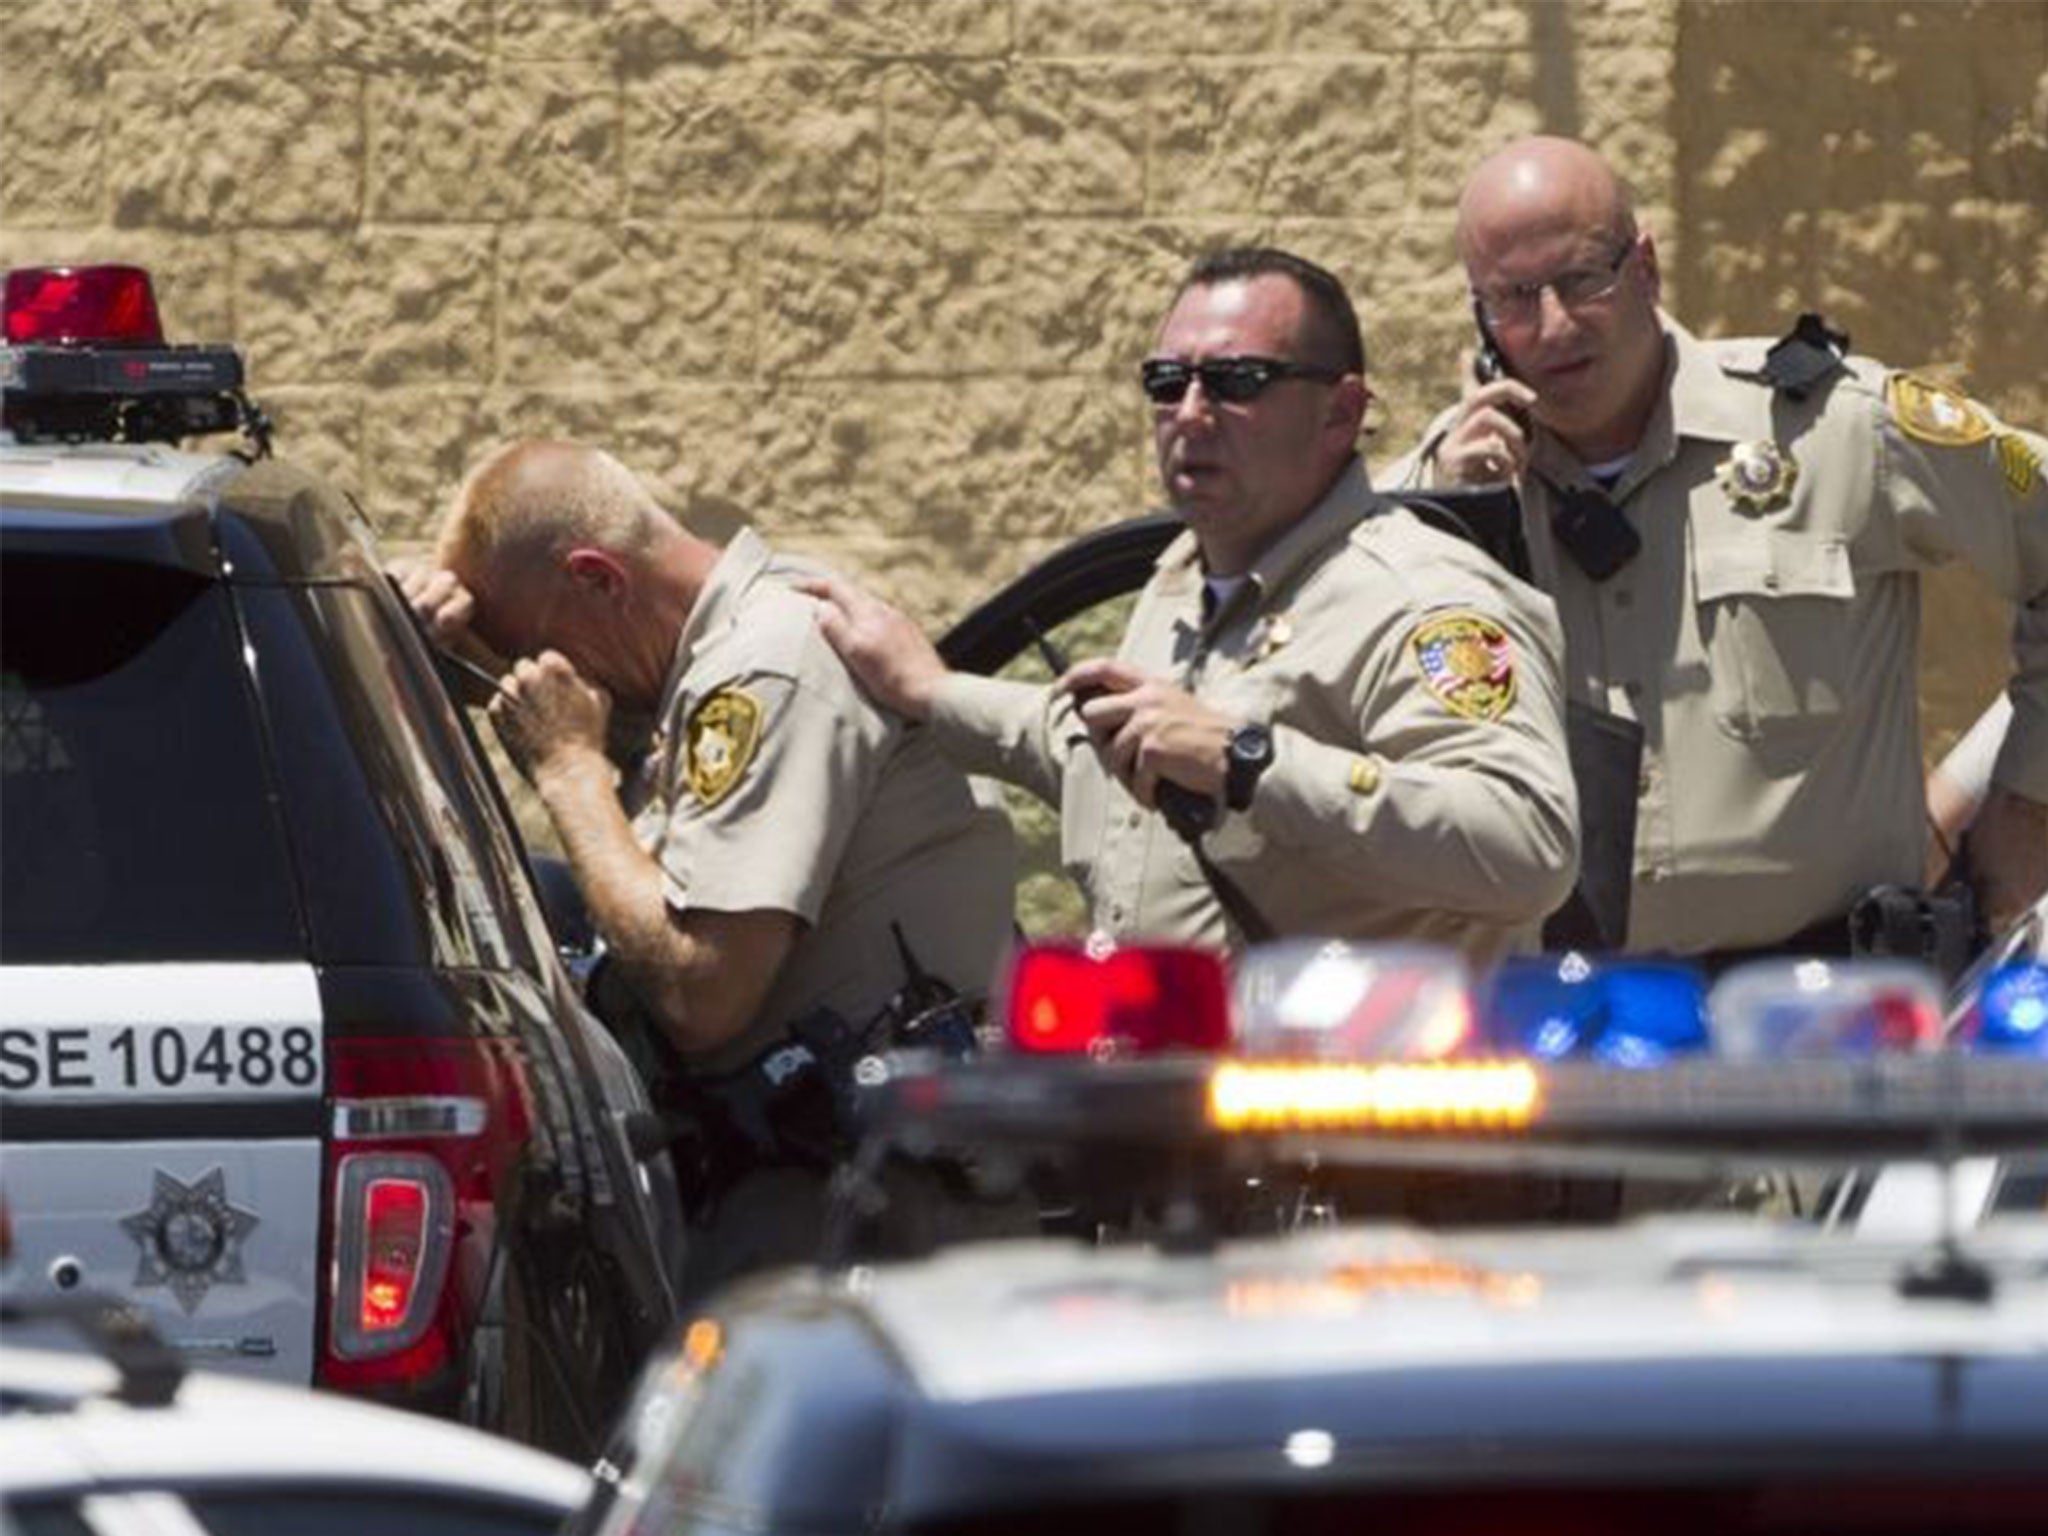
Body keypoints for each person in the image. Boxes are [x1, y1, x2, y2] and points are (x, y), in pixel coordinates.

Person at [806, 247, 1580, 966]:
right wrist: (930, 689)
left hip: (1348, 1102)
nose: (1191, 413)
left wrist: (1249, 762)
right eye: (1167, 383)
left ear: (1341, 413)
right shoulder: (1179, 581)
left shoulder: (1419, 598)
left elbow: (1528, 844)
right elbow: (1105, 753)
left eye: (1238, 381)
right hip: (1165, 1097)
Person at [1390, 134, 2048, 963]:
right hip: (1547, 1019)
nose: (1554, 325)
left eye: (1582, 279)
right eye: (1514, 297)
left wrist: (2027, 806)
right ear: (1479, 318)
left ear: (1646, 267)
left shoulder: (1832, 430)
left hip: (1819, 1013)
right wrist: (1451, 535)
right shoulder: (1428, 505)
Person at [399, 440, 1017, 1295]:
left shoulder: (764, 668)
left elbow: (702, 990)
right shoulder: (724, 647)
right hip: (824, 1199)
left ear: (599, 579)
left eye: (538, 650)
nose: (545, 679)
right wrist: (476, 662)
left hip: (860, 1224)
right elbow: (662, 755)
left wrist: (566, 768)